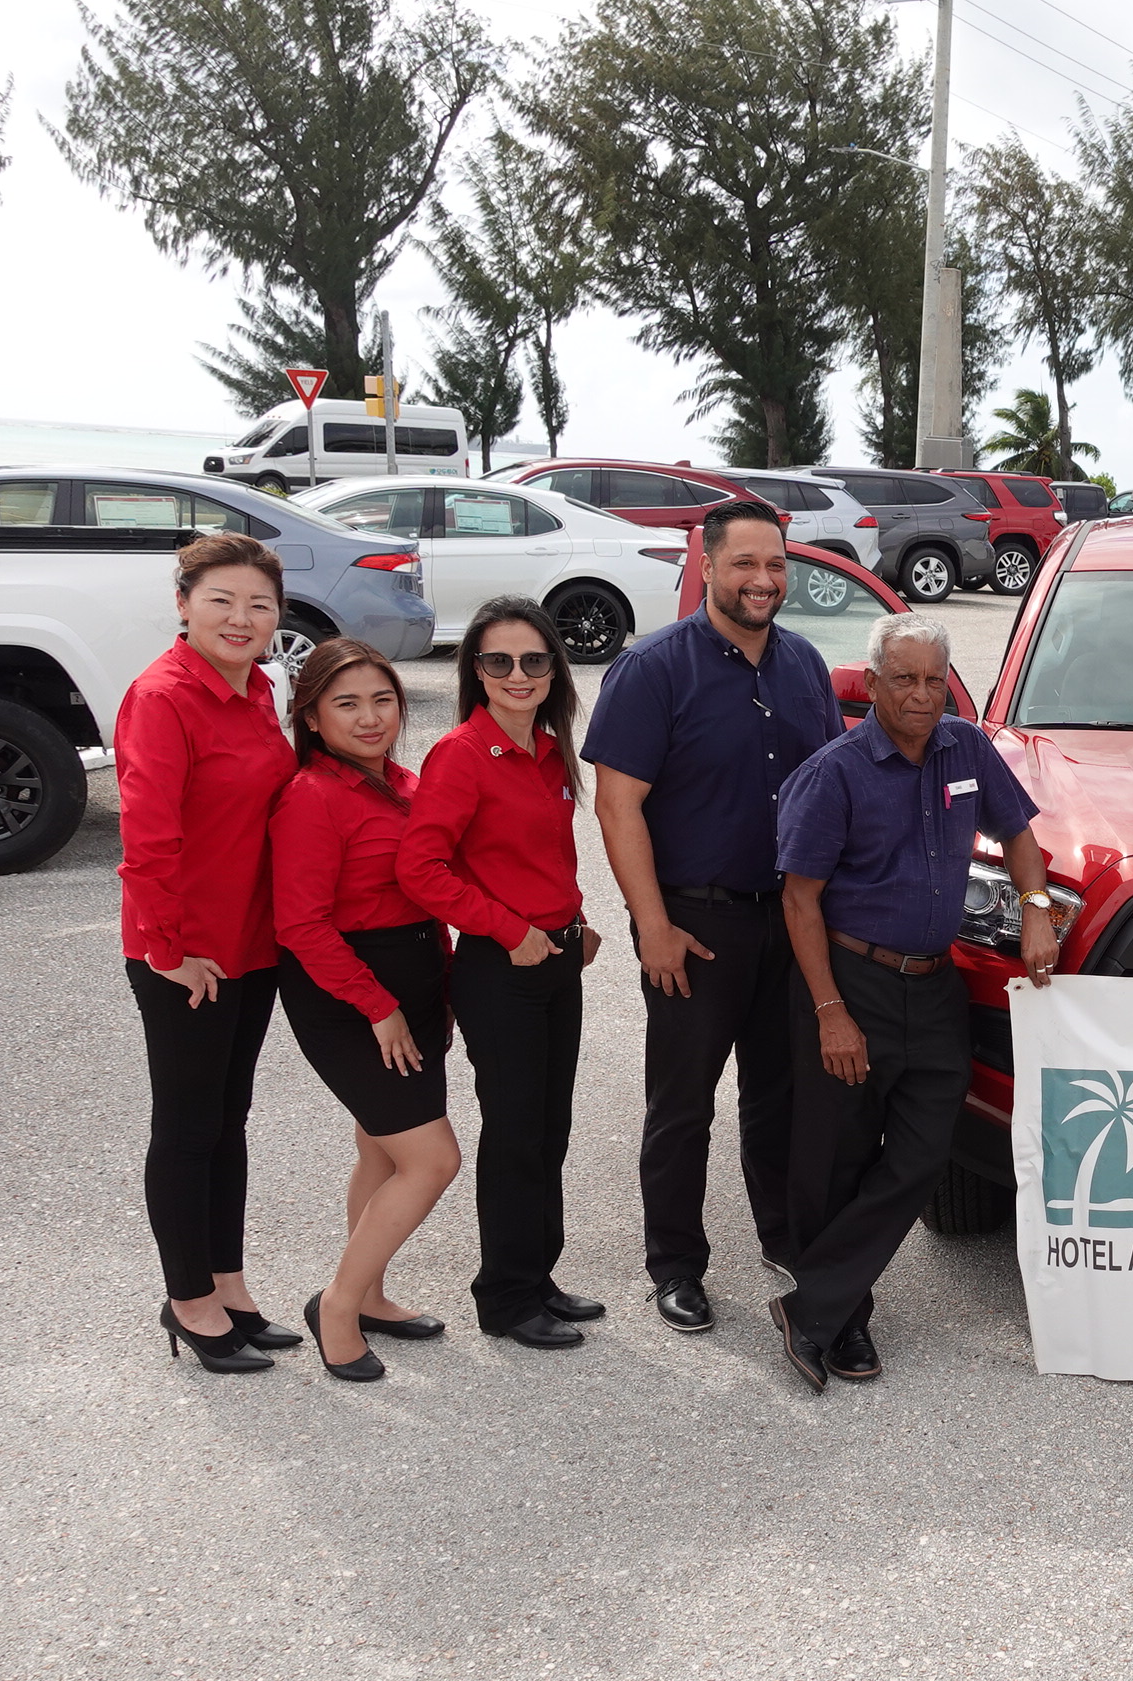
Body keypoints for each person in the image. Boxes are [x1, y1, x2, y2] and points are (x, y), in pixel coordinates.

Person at [767, 614, 1057, 1392]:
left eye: (934, 678)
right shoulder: (834, 774)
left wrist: (1033, 904)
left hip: (935, 984)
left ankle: (814, 1304)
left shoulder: (965, 748)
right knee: (841, 1155)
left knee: (926, 1152)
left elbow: (1020, 828)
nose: (922, 695)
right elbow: (799, 904)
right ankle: (842, 1319)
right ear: (874, 683)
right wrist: (831, 1012)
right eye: (904, 679)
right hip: (851, 980)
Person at [584, 501, 839, 1334]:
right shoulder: (653, 667)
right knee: (683, 1102)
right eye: (744, 565)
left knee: (780, 1095)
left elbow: (832, 795)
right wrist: (651, 925)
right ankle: (675, 1266)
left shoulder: (803, 665)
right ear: (708, 566)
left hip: (790, 921)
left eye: (775, 564)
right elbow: (617, 806)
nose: (762, 580)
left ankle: (783, 1237)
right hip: (695, 924)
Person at [116, 531, 304, 1373]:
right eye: (221, 600)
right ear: (183, 603)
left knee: (230, 1123)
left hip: (253, 943)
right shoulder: (162, 697)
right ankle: (187, 1299)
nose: (241, 618)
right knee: (188, 1126)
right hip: (187, 955)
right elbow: (147, 839)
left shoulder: (260, 689)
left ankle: (229, 1286)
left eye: (258, 604)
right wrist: (168, 950)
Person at [401, 596, 604, 1350]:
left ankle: (536, 1275)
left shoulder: (550, 750)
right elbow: (419, 867)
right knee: (516, 1132)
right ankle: (505, 1298)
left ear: (554, 667)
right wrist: (507, 929)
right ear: (475, 671)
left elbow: (547, 857)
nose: (518, 674)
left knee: (550, 1127)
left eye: (533, 660)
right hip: (501, 968)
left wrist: (575, 919)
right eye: (499, 661)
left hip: (556, 960)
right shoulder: (460, 753)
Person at [270, 639, 460, 1381]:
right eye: (346, 704)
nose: (370, 717)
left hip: (412, 984)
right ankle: (339, 1306)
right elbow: (302, 925)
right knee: (432, 1159)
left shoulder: (407, 785)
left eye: (383, 699)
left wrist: (438, 991)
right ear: (312, 719)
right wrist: (380, 1008)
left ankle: (372, 1293)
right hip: (349, 995)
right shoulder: (311, 797)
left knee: (382, 1152)